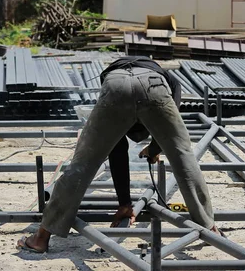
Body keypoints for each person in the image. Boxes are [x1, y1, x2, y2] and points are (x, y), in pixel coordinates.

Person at [19, 56, 219, 253]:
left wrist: (125, 203)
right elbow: (172, 125)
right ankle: (210, 228)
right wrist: (156, 148)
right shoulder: (167, 78)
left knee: (81, 166)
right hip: (154, 86)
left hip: (115, 86)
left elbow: (116, 148)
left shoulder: (115, 75)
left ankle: (41, 238)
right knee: (184, 157)